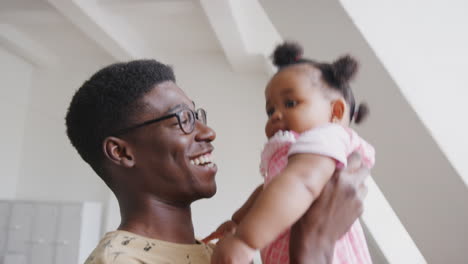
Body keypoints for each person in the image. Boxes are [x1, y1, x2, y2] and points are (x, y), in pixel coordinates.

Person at [64, 59, 370, 264]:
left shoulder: (215, 253)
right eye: (182, 119)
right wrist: (315, 244)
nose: (208, 132)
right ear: (122, 152)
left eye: (197, 116)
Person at [210, 42, 374, 264]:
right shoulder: (297, 156)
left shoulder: (327, 136)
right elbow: (268, 189)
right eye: (270, 110)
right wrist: (238, 220)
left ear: (335, 111)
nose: (276, 115)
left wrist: (244, 241)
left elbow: (302, 182)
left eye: (290, 103)